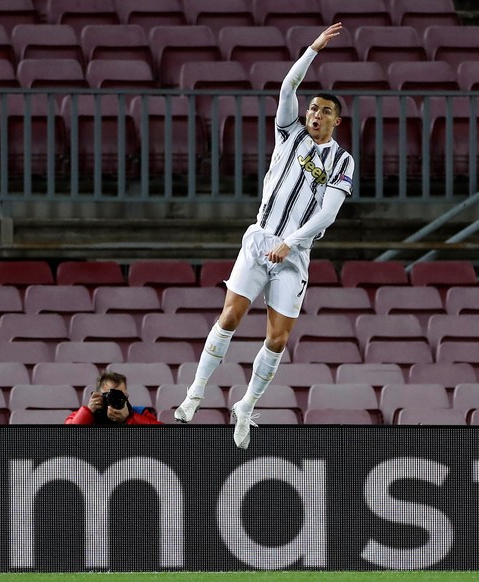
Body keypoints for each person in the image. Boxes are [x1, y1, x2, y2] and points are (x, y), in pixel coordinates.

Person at [175, 22, 354, 449]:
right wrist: (313, 48)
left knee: (277, 339)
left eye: (325, 111)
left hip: (293, 253)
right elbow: (288, 86)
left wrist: (289, 243)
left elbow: (327, 214)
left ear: (337, 121)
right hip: (260, 241)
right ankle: (194, 394)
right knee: (230, 317)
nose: (315, 114)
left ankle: (246, 406)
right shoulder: (287, 133)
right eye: (313, 108)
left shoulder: (341, 160)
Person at [65, 370, 163, 425]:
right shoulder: (82, 415)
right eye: (109, 395)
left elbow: (165, 437)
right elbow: (66, 440)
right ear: (98, 396)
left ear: (127, 396)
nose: (114, 398)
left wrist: (129, 419)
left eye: (119, 395)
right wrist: (88, 413)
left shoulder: (140, 413)